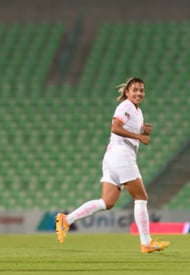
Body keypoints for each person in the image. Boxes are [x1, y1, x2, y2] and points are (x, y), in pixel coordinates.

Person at [55, 77, 170, 253]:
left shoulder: (136, 110)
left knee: (107, 202)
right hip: (121, 155)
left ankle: (66, 220)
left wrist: (142, 132)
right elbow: (115, 128)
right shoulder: (125, 106)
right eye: (135, 90)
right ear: (127, 92)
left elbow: (126, 130)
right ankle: (146, 243)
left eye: (141, 90)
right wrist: (139, 137)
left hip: (112, 156)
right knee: (141, 197)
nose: (139, 93)